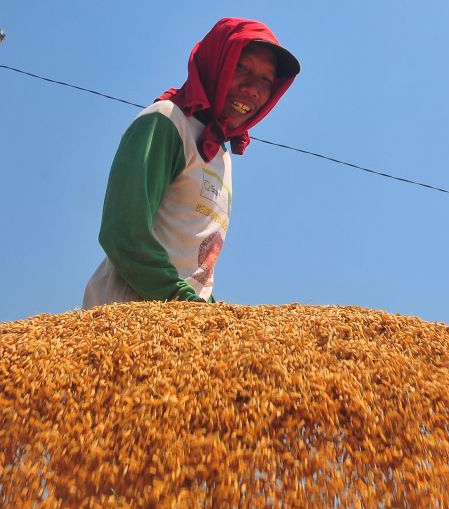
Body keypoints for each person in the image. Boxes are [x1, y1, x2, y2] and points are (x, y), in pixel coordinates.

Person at [82, 18, 299, 309]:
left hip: (182, 326)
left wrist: (209, 313)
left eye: (265, 81)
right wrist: (184, 303)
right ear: (216, 63)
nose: (252, 89)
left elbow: (197, 272)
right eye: (242, 68)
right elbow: (123, 232)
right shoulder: (167, 121)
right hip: (128, 315)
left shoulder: (222, 157)